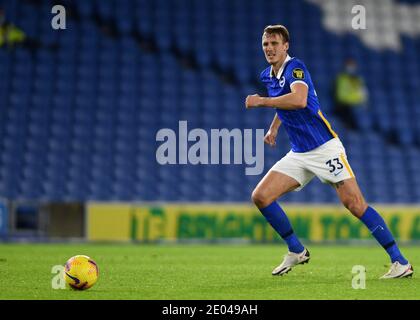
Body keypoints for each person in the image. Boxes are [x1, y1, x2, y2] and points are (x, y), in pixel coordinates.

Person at [245, 25, 412, 279]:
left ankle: (400, 262)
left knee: (354, 204)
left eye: (275, 43)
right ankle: (296, 250)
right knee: (261, 196)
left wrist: (262, 101)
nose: (269, 48)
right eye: (266, 44)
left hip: (324, 148)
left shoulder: (295, 68)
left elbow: (298, 99)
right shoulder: (268, 75)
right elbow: (283, 103)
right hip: (299, 152)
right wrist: (273, 128)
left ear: (286, 46)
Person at [333, 58, 369, 130]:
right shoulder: (341, 78)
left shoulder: (358, 79)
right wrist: (356, 100)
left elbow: (364, 95)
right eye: (349, 65)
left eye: (353, 65)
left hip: (356, 106)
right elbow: (341, 96)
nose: (351, 67)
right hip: (345, 107)